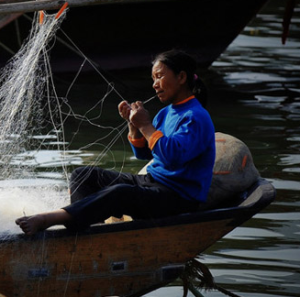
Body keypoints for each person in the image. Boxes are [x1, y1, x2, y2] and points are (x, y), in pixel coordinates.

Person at [16, 49, 216, 236]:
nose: (155, 84)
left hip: (178, 197)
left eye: (160, 76)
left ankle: (53, 218)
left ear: (181, 77)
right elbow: (145, 154)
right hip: (153, 183)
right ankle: (90, 230)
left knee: (120, 193)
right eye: (153, 78)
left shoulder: (196, 116)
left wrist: (145, 125)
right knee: (83, 175)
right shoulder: (166, 112)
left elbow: (173, 157)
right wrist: (134, 127)